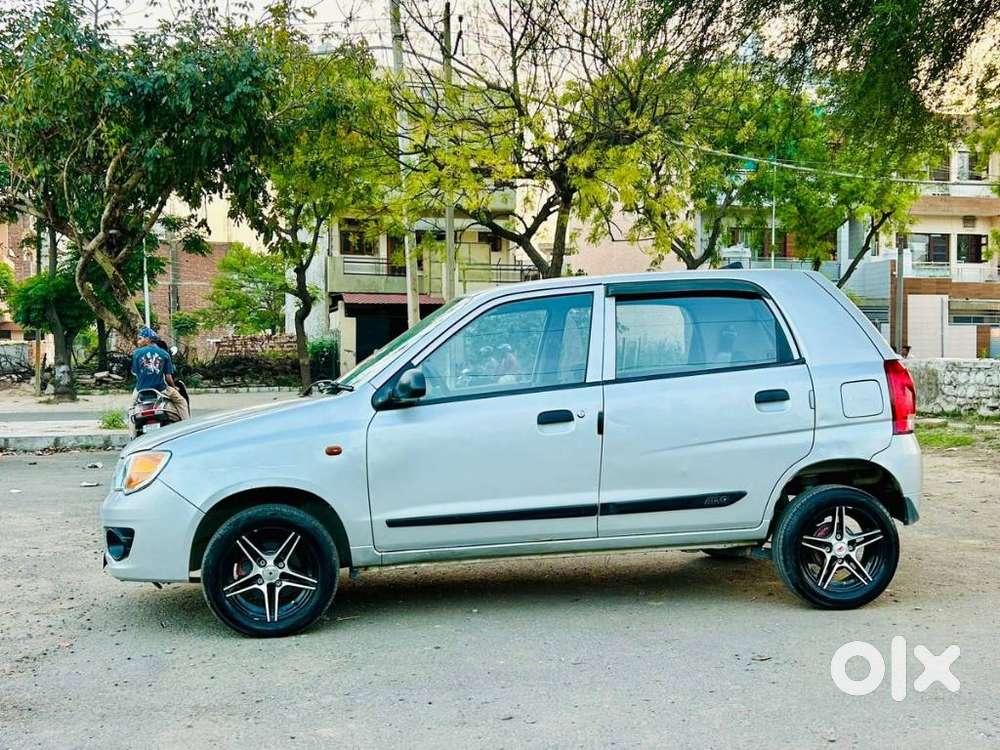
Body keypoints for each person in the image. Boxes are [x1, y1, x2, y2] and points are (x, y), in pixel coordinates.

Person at [131, 326, 189, 420]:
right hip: (161, 389)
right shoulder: (164, 354)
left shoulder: (136, 353)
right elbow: (168, 377)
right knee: (181, 402)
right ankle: (186, 426)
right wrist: (174, 387)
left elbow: (136, 373)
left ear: (147, 339)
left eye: (140, 339)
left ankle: (132, 434)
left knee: (131, 410)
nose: (138, 342)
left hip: (140, 390)